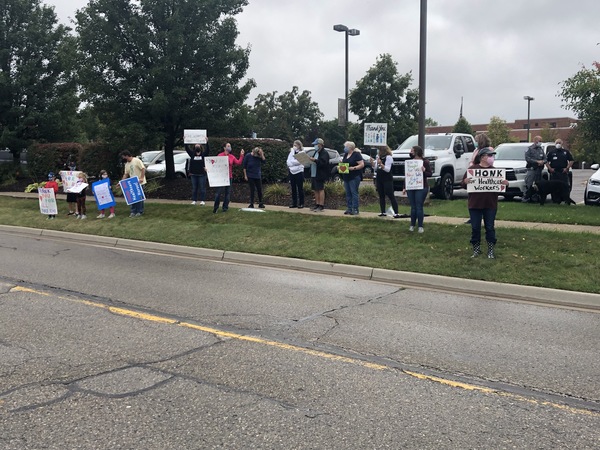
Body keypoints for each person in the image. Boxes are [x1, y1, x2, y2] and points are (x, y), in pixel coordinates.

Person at [462, 147, 509, 259]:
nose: (491, 158)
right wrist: (465, 181)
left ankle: (490, 250)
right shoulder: (472, 170)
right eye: (490, 155)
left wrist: (505, 184)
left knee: (490, 227)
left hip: (490, 204)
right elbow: (463, 184)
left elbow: (500, 187)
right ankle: (476, 249)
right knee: (475, 227)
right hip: (475, 204)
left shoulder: (495, 171)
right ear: (482, 157)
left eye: (492, 156)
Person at [465, 134, 493, 224]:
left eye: (476, 140)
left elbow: (490, 161)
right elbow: (472, 160)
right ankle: (474, 217)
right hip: (474, 173)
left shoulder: (490, 149)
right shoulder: (476, 150)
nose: (475, 142)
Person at [403, 145, 432, 233]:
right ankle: (412, 225)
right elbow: (407, 175)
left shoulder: (425, 162)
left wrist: (424, 171)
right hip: (411, 186)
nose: (410, 152)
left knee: (419, 206)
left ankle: (420, 226)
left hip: (421, 186)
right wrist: (404, 187)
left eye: (412, 151)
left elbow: (429, 174)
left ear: (416, 152)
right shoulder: (409, 162)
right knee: (413, 207)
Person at [213, 143, 244, 213]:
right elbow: (214, 165)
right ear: (224, 148)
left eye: (230, 146)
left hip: (229, 177)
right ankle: (216, 207)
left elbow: (238, 162)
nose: (229, 147)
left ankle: (225, 208)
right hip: (220, 177)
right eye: (228, 146)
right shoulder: (220, 155)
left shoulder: (231, 157)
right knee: (218, 193)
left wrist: (241, 155)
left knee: (227, 193)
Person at [373, 146, 401, 219]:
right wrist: (373, 164)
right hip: (379, 178)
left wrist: (381, 164)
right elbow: (376, 168)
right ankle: (383, 211)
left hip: (387, 178)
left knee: (390, 194)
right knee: (381, 195)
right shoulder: (378, 157)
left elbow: (387, 169)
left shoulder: (388, 158)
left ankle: (396, 212)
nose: (379, 152)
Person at [340, 141, 364, 215]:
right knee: (348, 193)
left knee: (354, 192)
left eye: (346, 146)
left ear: (350, 147)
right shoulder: (346, 154)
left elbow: (362, 164)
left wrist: (354, 168)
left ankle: (355, 209)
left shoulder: (356, 154)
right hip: (346, 176)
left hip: (354, 176)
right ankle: (349, 208)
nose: (345, 148)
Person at [121, 150, 147, 217]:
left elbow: (143, 169)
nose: (123, 158)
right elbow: (126, 174)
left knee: (139, 198)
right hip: (132, 183)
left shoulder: (136, 160)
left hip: (139, 182)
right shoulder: (126, 164)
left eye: (124, 157)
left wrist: (141, 178)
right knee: (133, 198)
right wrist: (121, 182)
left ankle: (140, 211)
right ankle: (133, 211)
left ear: (127, 155)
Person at [522, 135, 546, 203]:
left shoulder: (541, 149)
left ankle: (535, 198)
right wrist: (536, 161)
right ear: (535, 141)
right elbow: (527, 158)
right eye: (539, 141)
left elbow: (545, 158)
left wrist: (542, 162)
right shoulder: (529, 149)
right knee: (529, 184)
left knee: (538, 185)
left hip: (539, 170)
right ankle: (526, 198)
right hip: (532, 169)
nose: (540, 142)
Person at [309, 138, 329, 212]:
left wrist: (315, 160)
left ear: (320, 145)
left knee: (320, 189)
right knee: (315, 189)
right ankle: (317, 204)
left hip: (320, 174)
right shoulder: (316, 152)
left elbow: (323, 163)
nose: (315, 146)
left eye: (316, 144)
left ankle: (321, 205)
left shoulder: (324, 153)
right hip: (314, 173)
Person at [287, 140, 305, 208]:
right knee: (293, 188)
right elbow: (288, 161)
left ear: (299, 145)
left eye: (296, 145)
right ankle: (294, 203)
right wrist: (292, 163)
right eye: (293, 145)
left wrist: (292, 162)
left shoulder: (302, 152)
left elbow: (299, 162)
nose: (294, 146)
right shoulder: (292, 152)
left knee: (300, 188)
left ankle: (301, 203)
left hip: (299, 171)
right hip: (292, 171)